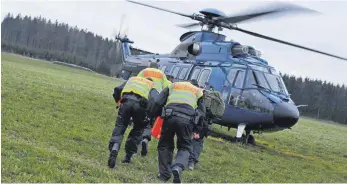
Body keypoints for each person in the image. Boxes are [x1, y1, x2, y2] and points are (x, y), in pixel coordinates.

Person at [150, 79, 205, 183]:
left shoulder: (173, 85)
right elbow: (202, 112)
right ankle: (178, 167)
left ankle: (164, 174)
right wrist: (197, 129)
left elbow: (157, 101)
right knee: (185, 146)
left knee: (165, 144)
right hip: (187, 120)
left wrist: (154, 116)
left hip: (169, 116)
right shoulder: (198, 91)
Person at [108, 76, 156, 169]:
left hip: (126, 101)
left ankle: (115, 147)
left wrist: (119, 102)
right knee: (138, 129)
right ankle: (128, 156)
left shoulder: (132, 79)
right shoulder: (151, 85)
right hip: (140, 106)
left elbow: (117, 89)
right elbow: (154, 100)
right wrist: (148, 114)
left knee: (120, 126)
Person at [137, 65, 170, 156]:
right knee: (150, 121)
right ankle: (145, 139)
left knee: (139, 119)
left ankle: (137, 141)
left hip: (143, 95)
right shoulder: (162, 74)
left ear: (149, 65)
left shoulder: (144, 71)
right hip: (155, 99)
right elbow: (166, 88)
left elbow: (137, 81)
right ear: (158, 67)